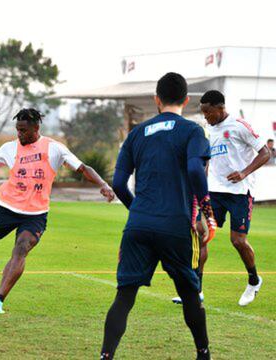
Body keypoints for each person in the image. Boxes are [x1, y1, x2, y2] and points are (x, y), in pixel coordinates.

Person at [0, 108, 115, 314]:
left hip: (36, 215)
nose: (19, 134)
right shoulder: (9, 148)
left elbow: (83, 168)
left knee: (21, 249)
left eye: (24, 131)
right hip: (8, 208)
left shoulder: (54, 148)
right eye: (17, 130)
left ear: (36, 128)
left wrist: (104, 184)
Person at [100, 73, 217, 360]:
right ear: (186, 100)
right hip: (176, 225)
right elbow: (193, 171)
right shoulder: (192, 131)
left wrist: (137, 208)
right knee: (190, 292)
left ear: (156, 100)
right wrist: (207, 211)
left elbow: (118, 184)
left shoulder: (137, 133)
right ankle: (203, 353)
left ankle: (105, 356)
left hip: (138, 224)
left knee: (124, 296)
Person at [175, 91, 269, 307]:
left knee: (237, 241)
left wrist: (243, 173)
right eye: (203, 113)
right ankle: (195, 291)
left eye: (208, 112)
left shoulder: (239, 125)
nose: (205, 116)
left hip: (239, 193)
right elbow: (212, 159)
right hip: (214, 192)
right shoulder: (210, 128)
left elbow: (265, 153)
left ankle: (254, 280)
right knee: (201, 234)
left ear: (220, 108)